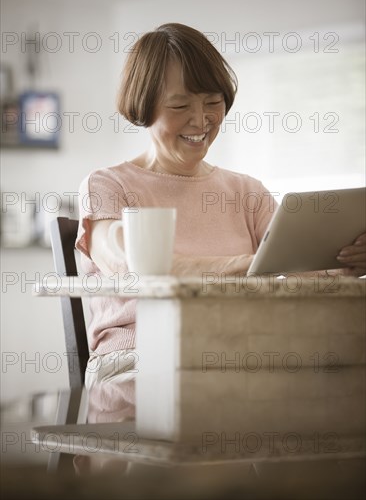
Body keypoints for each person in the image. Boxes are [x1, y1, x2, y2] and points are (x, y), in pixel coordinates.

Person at [76, 23, 366, 387]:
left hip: (240, 357)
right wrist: (252, 266)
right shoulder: (107, 184)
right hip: (138, 364)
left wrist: (345, 265)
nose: (201, 120)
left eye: (213, 102)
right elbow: (126, 266)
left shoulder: (247, 191)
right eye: (180, 105)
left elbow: (300, 276)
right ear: (143, 107)